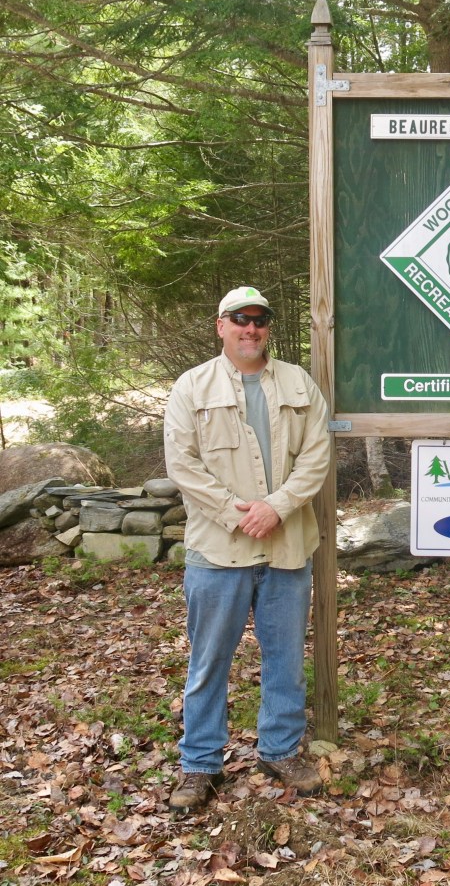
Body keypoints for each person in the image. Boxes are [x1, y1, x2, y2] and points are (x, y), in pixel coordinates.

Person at [164, 285, 331, 812]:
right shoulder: (192, 387)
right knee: (210, 661)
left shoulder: (298, 382)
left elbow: (317, 454)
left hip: (287, 548)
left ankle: (279, 751)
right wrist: (239, 512)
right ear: (221, 325)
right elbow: (182, 464)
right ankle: (200, 764)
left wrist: (277, 507)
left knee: (285, 659)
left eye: (259, 320)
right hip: (218, 551)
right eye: (240, 319)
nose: (250, 329)